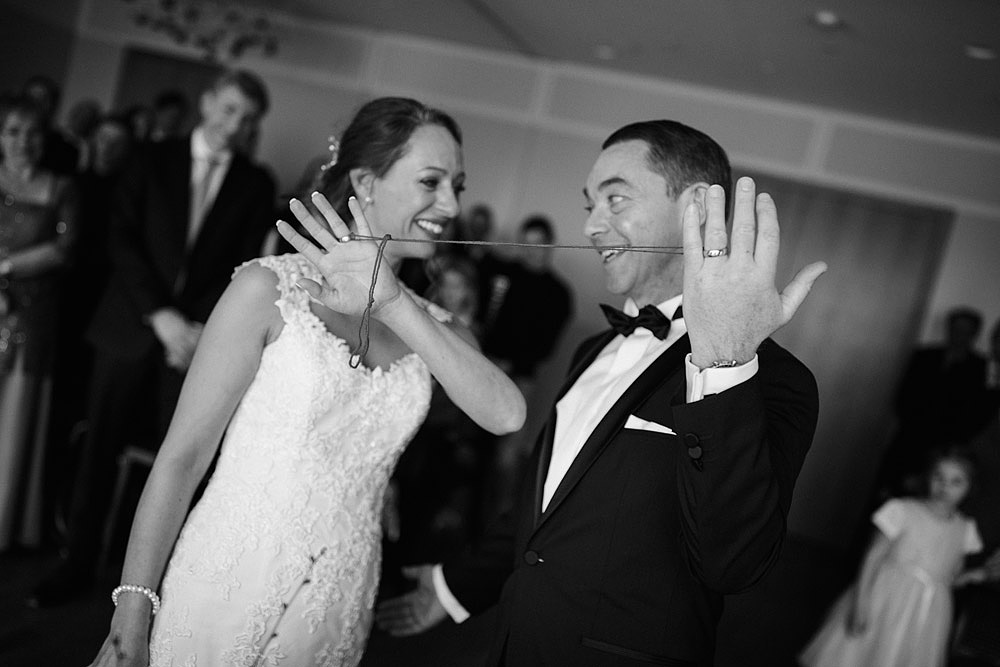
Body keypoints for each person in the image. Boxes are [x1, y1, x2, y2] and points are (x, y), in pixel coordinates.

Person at [86, 97, 525, 667]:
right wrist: (130, 615)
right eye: (431, 182)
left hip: (340, 599)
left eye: (457, 186)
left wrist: (393, 304)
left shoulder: (435, 329)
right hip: (227, 574)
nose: (450, 203)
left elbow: (506, 414)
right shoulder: (267, 290)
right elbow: (183, 457)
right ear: (366, 182)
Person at [375, 119, 827, 665]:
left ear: (696, 210)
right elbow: (546, 505)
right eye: (590, 205)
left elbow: (733, 563)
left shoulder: (773, 380)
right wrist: (453, 587)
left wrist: (726, 363)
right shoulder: (591, 349)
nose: (591, 226)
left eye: (616, 200)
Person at [31, 69, 276, 605]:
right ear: (207, 101)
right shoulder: (149, 156)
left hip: (194, 345)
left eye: (248, 119)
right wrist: (160, 315)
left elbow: (242, 266)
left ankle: (138, 586)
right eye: (229, 109)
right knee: (99, 452)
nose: (235, 126)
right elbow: (121, 239)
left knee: (177, 460)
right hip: (128, 327)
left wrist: (193, 330)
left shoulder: (256, 184)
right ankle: (75, 565)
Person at [799, 447, 991, 667]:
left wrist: (974, 575)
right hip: (885, 600)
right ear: (928, 475)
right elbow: (872, 557)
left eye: (956, 481)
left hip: (927, 615)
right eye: (939, 476)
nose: (945, 486)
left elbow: (948, 578)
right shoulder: (902, 510)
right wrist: (860, 603)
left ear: (971, 487)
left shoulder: (965, 529)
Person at [0, 95, 79, 551]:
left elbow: (65, 249)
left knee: (16, 416)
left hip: (33, 315)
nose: (21, 142)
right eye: (12, 130)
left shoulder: (61, 187)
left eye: (31, 132)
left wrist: (6, 269)